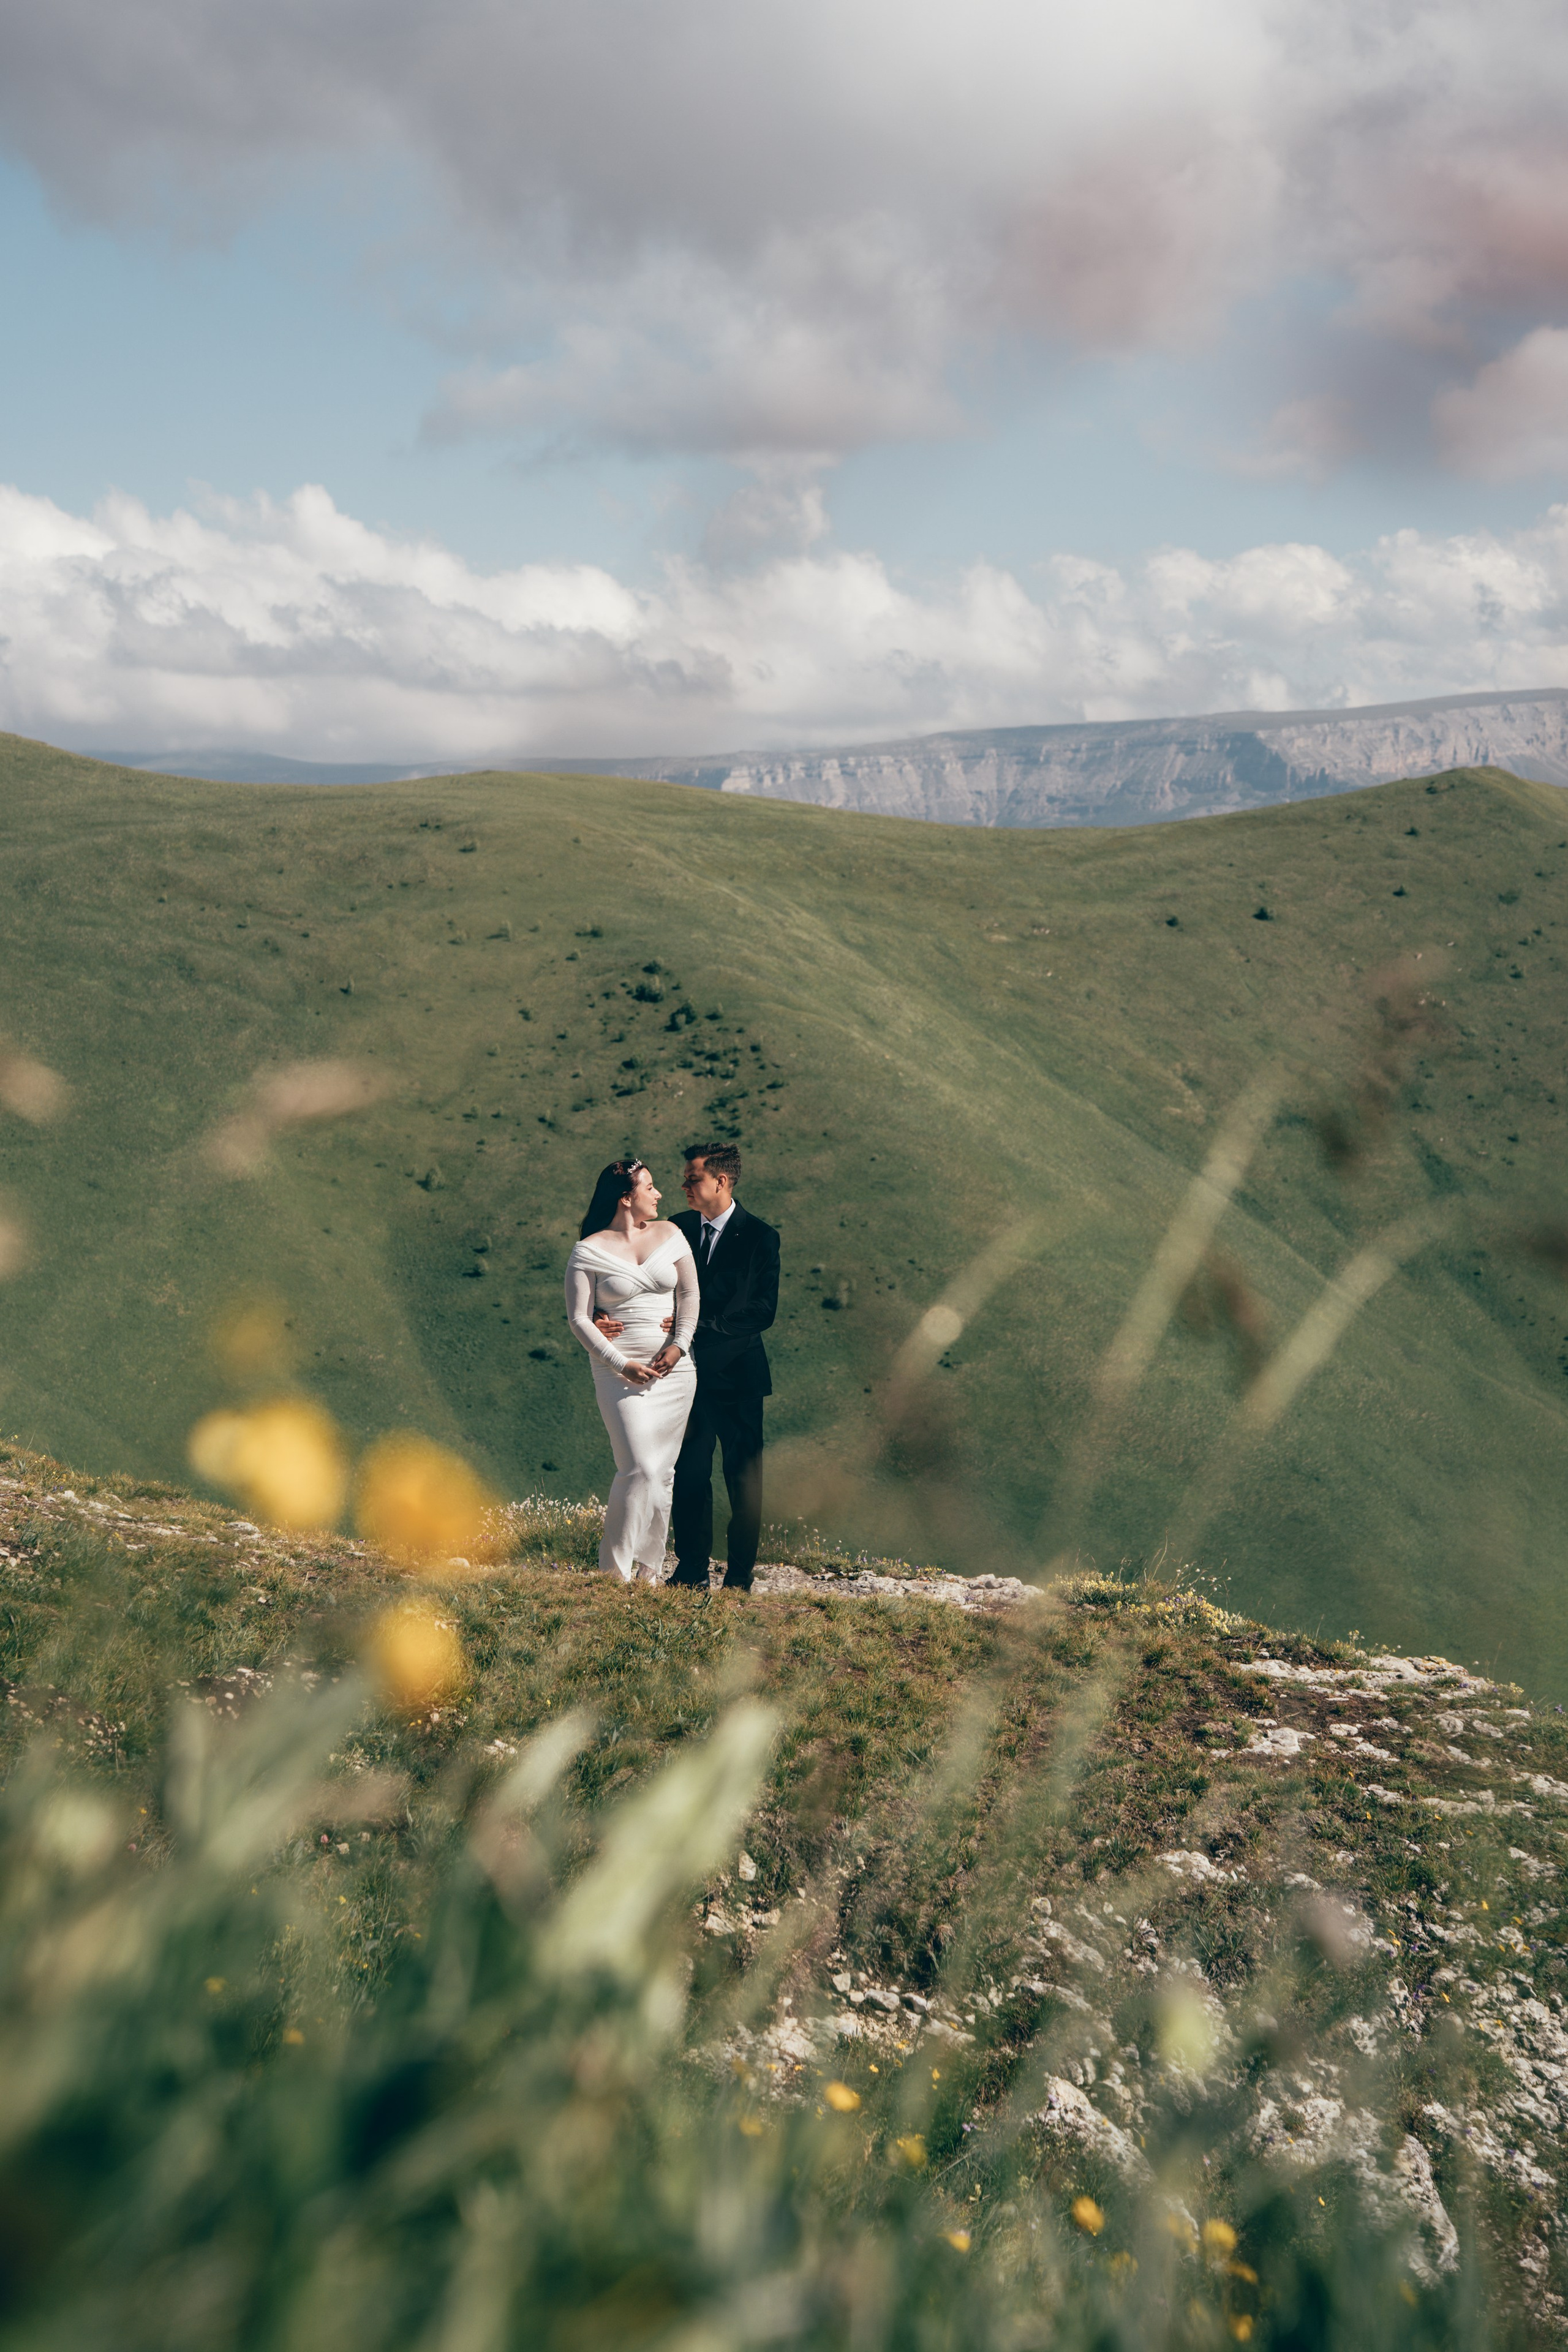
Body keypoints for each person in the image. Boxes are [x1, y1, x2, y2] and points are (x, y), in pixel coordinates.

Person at [564, 1158, 698, 1583]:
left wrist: (679, 1345)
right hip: (617, 1375)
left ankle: (648, 1572)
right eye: (650, 1187)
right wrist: (621, 1363)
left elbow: (690, 1296)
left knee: (662, 1473)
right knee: (638, 1466)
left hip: (675, 1373)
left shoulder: (670, 1234)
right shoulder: (588, 1249)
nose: (659, 1194)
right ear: (626, 1198)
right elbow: (579, 1318)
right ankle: (614, 1573)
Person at [666, 1143, 780, 1591]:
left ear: (721, 1181)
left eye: (692, 1178)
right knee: (690, 1476)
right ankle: (691, 1570)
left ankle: (739, 1577)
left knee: (743, 1482)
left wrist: (697, 1327)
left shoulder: (761, 1237)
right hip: (687, 1378)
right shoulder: (675, 1228)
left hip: (739, 1380)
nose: (684, 1186)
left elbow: (763, 1312)